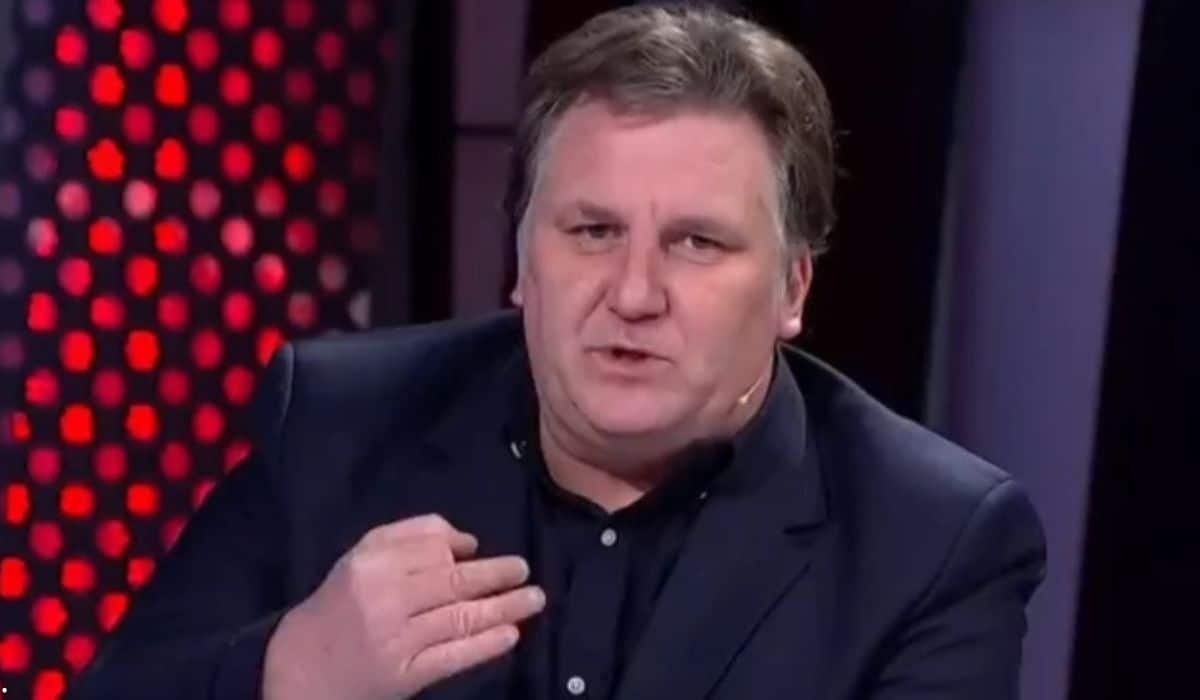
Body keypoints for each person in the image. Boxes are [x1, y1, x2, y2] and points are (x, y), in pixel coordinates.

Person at [69, 5, 1046, 699]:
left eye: (696, 243)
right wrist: (292, 671)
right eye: (591, 231)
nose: (633, 292)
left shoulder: (931, 543)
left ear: (793, 288)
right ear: (521, 261)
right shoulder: (336, 425)